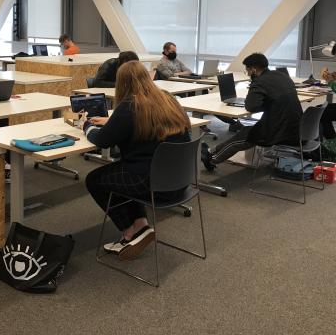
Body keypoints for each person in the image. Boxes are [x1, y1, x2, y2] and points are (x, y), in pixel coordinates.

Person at [83, 61, 192, 260]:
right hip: (179, 181)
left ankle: (130, 230)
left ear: (121, 83)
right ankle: (140, 224)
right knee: (122, 171)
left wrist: (87, 127)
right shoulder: (167, 99)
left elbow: (102, 141)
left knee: (95, 180)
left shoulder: (129, 105)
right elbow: (146, 120)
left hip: (152, 184)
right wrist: (112, 121)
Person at [201, 53, 302, 171]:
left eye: (247, 70)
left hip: (279, 130)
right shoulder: (282, 75)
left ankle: (211, 159)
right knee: (245, 130)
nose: (248, 74)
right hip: (297, 125)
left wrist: (253, 87)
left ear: (253, 69)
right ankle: (211, 151)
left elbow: (251, 106)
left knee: (243, 137)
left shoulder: (260, 82)